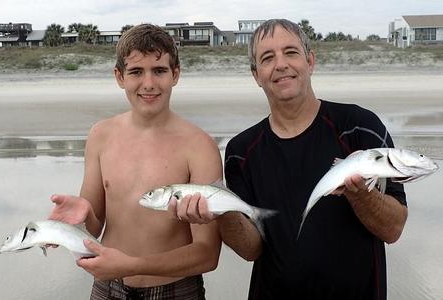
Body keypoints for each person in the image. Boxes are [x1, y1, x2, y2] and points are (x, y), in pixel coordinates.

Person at [171, 19, 408, 299]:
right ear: (256, 74)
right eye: (267, 58)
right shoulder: (241, 150)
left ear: (310, 61)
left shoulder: (359, 127)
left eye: (291, 52)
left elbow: (393, 228)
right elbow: (251, 249)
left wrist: (359, 193)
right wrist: (222, 212)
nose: (281, 64)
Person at [48, 24, 222, 300]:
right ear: (119, 76)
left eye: (160, 70)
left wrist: (130, 265)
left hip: (176, 291)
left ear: (175, 74)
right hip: (108, 288)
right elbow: (91, 229)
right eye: (136, 72)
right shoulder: (100, 136)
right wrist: (79, 217)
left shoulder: (199, 146)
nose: (149, 83)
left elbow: (207, 255)